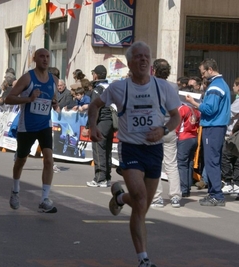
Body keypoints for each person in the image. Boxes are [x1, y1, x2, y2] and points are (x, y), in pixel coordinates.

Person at [88, 41, 181, 267]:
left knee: (143, 205)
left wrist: (163, 129)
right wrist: (93, 126)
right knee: (140, 198)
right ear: (130, 63)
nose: (143, 59)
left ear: (150, 62)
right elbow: (95, 105)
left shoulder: (163, 87)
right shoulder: (119, 88)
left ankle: (119, 197)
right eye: (138, 56)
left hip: (154, 149)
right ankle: (144, 259)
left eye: (146, 56)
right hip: (130, 147)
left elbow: (176, 116)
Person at [5, 48, 59, 213]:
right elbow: (9, 98)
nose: (45, 59)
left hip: (44, 125)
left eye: (48, 57)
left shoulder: (54, 80)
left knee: (49, 159)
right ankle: (15, 190)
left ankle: (44, 199)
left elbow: (53, 100)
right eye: (42, 56)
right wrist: (29, 99)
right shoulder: (28, 77)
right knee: (21, 160)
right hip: (27, 126)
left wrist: (55, 103)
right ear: (35, 58)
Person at [186, 58, 230, 206]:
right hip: (217, 126)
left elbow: (210, 109)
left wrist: (194, 103)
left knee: (211, 161)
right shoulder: (221, 84)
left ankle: (216, 195)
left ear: (210, 69)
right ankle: (213, 193)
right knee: (213, 160)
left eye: (203, 72)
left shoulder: (215, 87)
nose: (202, 75)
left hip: (213, 127)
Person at [150, 59, 182, 208]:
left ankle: (157, 197)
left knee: (154, 163)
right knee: (171, 163)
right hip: (170, 126)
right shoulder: (174, 86)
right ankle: (175, 196)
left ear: (154, 70)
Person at [84, 65, 114, 188]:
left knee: (98, 149)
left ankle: (99, 178)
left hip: (101, 121)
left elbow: (94, 108)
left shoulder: (97, 89)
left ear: (96, 75)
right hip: (111, 122)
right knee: (107, 150)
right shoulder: (110, 87)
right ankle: (107, 177)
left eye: (93, 73)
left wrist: (89, 126)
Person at [176, 98, 201, 197]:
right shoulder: (196, 110)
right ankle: (188, 186)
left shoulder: (182, 108)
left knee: (182, 164)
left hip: (184, 138)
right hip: (194, 137)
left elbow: (176, 124)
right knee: (189, 162)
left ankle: (183, 188)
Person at [220, 77, 239, 194]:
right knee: (236, 160)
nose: (233, 87)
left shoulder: (238, 102)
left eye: (234, 85)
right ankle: (236, 184)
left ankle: (228, 182)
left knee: (225, 157)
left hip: (233, 134)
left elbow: (229, 114)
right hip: (234, 133)